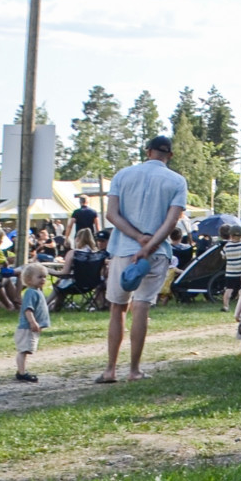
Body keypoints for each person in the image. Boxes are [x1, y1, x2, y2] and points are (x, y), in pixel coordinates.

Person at [99, 134, 189, 384]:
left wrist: (137, 237)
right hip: (156, 253)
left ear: (148, 151)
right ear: (170, 155)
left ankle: (110, 369)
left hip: (123, 248)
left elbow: (112, 215)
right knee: (141, 306)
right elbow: (171, 221)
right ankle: (134, 369)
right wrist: (149, 245)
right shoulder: (177, 181)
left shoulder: (122, 175)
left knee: (118, 308)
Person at [13, 261, 51, 383]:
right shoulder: (30, 292)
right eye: (39, 277)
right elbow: (28, 309)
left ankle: (22, 371)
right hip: (27, 327)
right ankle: (22, 373)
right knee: (23, 350)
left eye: (44, 277)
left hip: (31, 327)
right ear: (29, 280)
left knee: (27, 350)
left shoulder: (38, 291)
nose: (43, 279)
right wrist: (32, 322)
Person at [215, 219, 241, 312]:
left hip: (230, 273)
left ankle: (226, 306)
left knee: (229, 289)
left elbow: (223, 256)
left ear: (230, 235)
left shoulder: (227, 246)